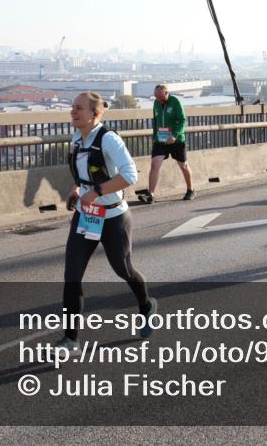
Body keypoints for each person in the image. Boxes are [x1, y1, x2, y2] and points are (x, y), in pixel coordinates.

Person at [57, 92, 156, 351]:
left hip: (113, 217)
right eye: (72, 107)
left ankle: (146, 305)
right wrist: (78, 190)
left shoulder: (109, 139)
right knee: (72, 277)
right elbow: (84, 174)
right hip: (86, 215)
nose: (73, 112)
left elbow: (131, 174)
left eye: (78, 108)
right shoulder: (77, 138)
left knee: (124, 270)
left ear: (95, 113)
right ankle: (71, 340)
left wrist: (97, 192)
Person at [140, 84, 194, 203]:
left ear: (166, 93)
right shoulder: (156, 103)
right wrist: (154, 136)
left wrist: (174, 135)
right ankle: (151, 195)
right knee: (155, 164)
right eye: (155, 96)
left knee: (183, 165)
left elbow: (182, 120)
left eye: (159, 96)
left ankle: (190, 190)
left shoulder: (175, 102)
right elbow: (155, 120)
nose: (157, 99)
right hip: (160, 139)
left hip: (176, 140)